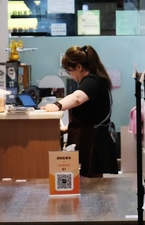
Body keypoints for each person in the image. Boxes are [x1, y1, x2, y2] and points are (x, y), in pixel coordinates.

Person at [45, 45, 118, 177]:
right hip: (92, 136)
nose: (71, 75)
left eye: (69, 71)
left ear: (79, 67)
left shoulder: (92, 81)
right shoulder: (95, 80)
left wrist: (57, 105)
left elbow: (77, 98)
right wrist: (66, 128)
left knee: (91, 183)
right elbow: (90, 114)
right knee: (90, 181)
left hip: (93, 141)